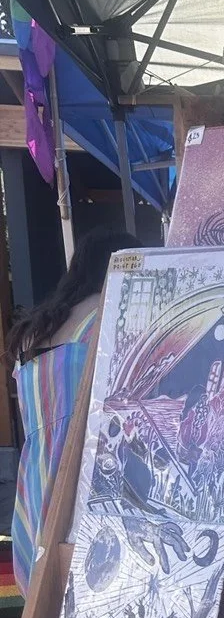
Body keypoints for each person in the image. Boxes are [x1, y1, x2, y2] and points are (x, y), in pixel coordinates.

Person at [8, 228, 136, 592]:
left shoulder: (35, 329)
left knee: (42, 592)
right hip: (87, 469)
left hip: (36, 472)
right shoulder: (109, 317)